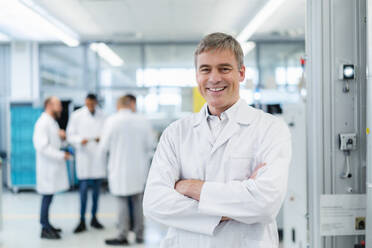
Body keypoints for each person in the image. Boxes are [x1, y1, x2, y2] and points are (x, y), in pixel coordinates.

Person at [143, 32, 292, 248]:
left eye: (224, 68)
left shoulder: (270, 128)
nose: (214, 78)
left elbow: (265, 203)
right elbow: (154, 203)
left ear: (241, 73)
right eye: (206, 69)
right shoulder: (176, 132)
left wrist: (191, 187)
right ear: (197, 76)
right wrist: (232, 208)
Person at [100, 95, 155, 246]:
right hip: (138, 169)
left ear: (119, 105)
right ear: (131, 104)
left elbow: (103, 147)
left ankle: (122, 234)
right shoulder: (142, 121)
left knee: (122, 202)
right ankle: (139, 235)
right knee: (138, 202)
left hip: (118, 169)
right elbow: (151, 145)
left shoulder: (111, 121)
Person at [66, 93, 106, 233]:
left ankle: (94, 219)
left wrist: (102, 139)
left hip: (97, 158)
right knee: (83, 193)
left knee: (96, 193)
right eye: (88, 103)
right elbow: (70, 135)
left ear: (96, 102)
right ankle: (81, 220)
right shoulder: (77, 115)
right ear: (85, 102)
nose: (90, 105)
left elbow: (106, 133)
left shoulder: (103, 115)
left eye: (93, 103)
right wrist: (80, 140)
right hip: (84, 157)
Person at [33, 96, 71, 240]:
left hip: (52, 168)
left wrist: (62, 138)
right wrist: (61, 155)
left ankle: (47, 224)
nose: (61, 108)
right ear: (49, 105)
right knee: (46, 197)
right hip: (47, 168)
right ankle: (44, 228)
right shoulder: (42, 123)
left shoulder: (52, 122)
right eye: (58, 105)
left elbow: (54, 143)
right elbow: (42, 147)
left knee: (49, 197)